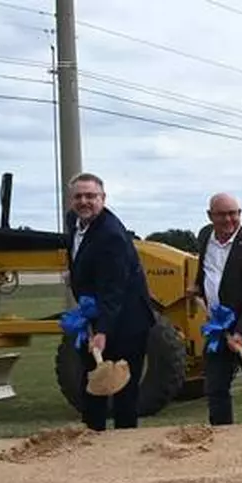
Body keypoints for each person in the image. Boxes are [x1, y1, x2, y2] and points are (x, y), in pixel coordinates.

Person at [63, 172, 155, 431]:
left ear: (103, 198)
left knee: (123, 390)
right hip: (96, 315)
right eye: (78, 196)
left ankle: (124, 446)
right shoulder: (74, 222)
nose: (84, 201)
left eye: (91, 196)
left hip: (127, 322)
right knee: (93, 386)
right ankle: (93, 442)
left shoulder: (111, 235)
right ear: (71, 200)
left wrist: (102, 331)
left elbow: (114, 288)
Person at [188, 192, 242, 426]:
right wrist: (197, 286)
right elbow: (207, 270)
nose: (228, 219)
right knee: (215, 388)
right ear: (210, 216)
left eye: (233, 213)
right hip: (218, 328)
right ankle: (221, 435)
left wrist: (240, 332)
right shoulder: (205, 236)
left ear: (240, 213)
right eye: (221, 214)